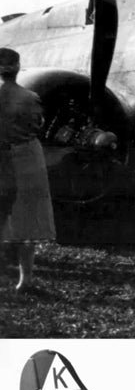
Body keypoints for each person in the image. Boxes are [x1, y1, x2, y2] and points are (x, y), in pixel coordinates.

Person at [0, 47, 55, 292]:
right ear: (18, 68)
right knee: (28, 219)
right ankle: (26, 279)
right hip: (25, 158)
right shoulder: (30, 97)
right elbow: (37, 126)